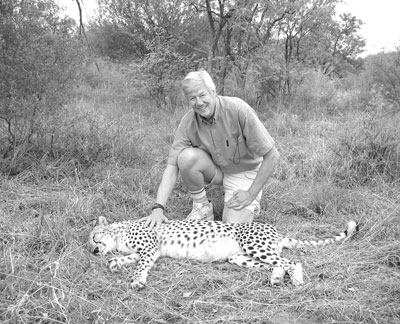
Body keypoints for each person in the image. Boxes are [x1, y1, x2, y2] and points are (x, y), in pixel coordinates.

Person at [140, 70, 279, 229]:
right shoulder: (188, 122)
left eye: (202, 95)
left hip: (244, 171)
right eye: (192, 98)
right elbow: (172, 167)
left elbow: (272, 155)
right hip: (217, 170)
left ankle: (251, 204)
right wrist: (158, 208)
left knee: (231, 229)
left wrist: (250, 194)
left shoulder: (238, 110)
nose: (198, 102)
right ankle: (202, 208)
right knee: (185, 157)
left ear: (213, 92)